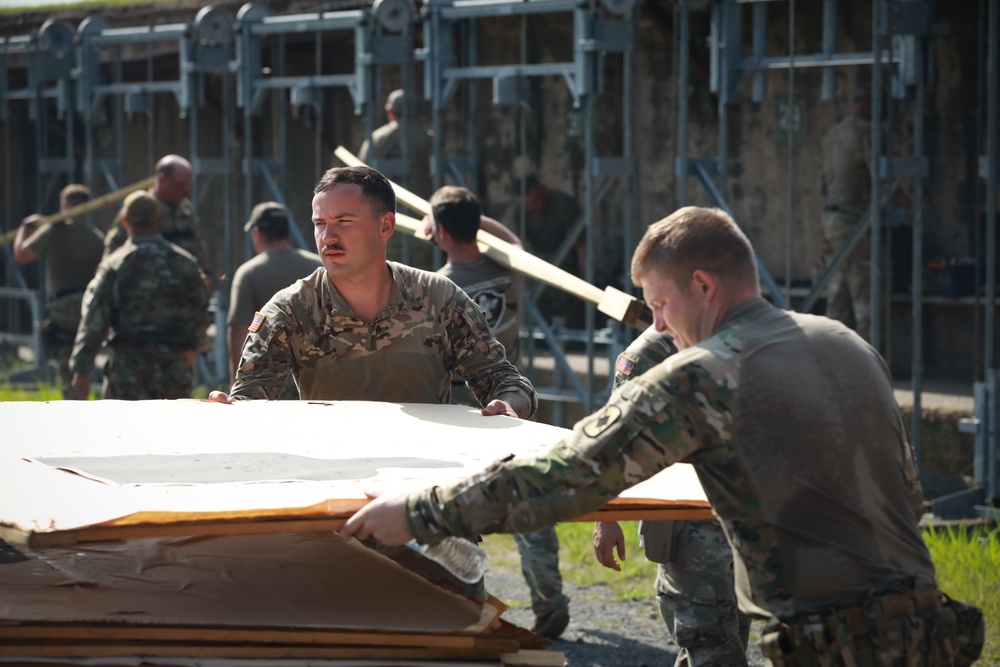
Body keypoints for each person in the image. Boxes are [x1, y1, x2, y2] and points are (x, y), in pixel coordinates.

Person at [342, 205, 984, 666]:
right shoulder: (845, 343)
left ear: (703, 286)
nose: (659, 327)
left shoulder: (705, 373)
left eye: (660, 305)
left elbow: (572, 473)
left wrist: (420, 510)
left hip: (838, 644)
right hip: (931, 628)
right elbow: (907, 491)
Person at [207, 165, 537, 600]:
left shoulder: (438, 299)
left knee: (453, 638)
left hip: (431, 515)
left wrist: (507, 406)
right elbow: (251, 405)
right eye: (320, 224)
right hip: (335, 517)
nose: (328, 237)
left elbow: (503, 380)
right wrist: (227, 417)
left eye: (343, 222)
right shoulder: (288, 311)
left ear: (386, 226)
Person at [424, 184, 570, 639]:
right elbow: (515, 244)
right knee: (530, 505)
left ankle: (465, 599)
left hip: (461, 415)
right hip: (514, 404)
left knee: (459, 511)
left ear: (441, 233)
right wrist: (473, 217)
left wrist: (442, 224)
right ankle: (550, 602)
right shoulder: (509, 271)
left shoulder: (437, 287)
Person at [593, 325, 750, 666]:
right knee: (711, 645)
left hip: (742, 520)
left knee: (731, 636)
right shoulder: (651, 351)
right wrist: (607, 515)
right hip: (688, 528)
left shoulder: (741, 333)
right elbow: (614, 438)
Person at [69, 192, 211, 400]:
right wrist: (191, 350)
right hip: (173, 372)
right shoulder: (186, 263)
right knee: (172, 430)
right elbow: (201, 312)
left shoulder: (114, 266)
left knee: (123, 432)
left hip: (128, 373)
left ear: (125, 222)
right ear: (159, 221)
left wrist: (81, 369)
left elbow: (94, 320)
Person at [12, 184, 104, 398]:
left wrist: (25, 227)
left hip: (62, 309)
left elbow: (22, 254)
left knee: (66, 368)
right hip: (87, 308)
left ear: (64, 206)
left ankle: (73, 406)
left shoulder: (53, 231)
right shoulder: (97, 237)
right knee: (86, 363)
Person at [226, 201, 321, 393]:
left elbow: (239, 330)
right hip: (316, 375)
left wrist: (237, 383)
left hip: (268, 380)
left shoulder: (249, 273)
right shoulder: (318, 268)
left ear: (257, 233)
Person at [818, 91, 875, 340]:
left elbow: (822, 183)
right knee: (864, 289)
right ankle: (871, 359)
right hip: (855, 221)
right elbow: (880, 174)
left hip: (831, 219)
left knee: (837, 289)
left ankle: (832, 355)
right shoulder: (866, 132)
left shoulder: (832, 135)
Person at [103, 155, 208, 275]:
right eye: (180, 185)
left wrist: (205, 274)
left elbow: (199, 246)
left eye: (188, 184)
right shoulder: (140, 209)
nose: (186, 190)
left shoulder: (187, 210)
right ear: (162, 179)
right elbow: (112, 254)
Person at [507, 174, 586, 327]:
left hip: (568, 264)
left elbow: (582, 246)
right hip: (539, 264)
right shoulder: (520, 213)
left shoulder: (563, 206)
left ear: (543, 190)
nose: (534, 207)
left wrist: (585, 278)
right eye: (528, 205)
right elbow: (519, 247)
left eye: (536, 200)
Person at [358, 89, 433, 199]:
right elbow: (437, 174)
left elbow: (359, 172)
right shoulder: (426, 138)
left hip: (382, 203)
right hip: (418, 203)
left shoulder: (376, 138)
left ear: (390, 111)